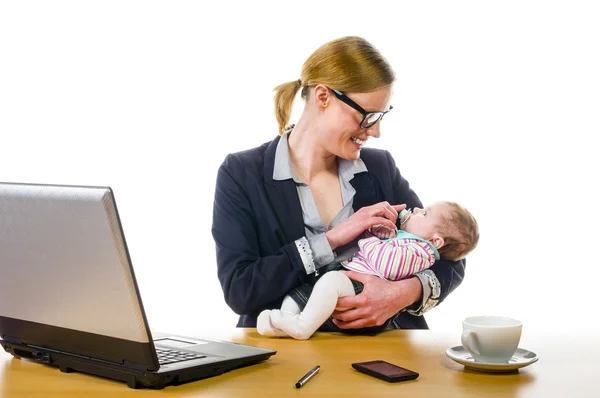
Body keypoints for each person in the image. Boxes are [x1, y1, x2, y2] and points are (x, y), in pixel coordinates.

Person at [212, 36, 468, 332]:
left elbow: (448, 247)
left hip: (385, 352)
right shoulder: (242, 174)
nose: (376, 132)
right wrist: (333, 239)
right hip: (283, 353)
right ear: (323, 97)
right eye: (368, 116)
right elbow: (241, 290)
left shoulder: (379, 167)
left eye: (381, 117)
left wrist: (401, 294)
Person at [256, 202, 479, 339]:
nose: (417, 209)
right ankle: (284, 322)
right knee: (300, 293)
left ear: (437, 241)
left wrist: (366, 238)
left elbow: (387, 265)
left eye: (425, 213)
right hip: (348, 280)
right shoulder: (406, 237)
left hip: (360, 287)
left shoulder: (421, 250)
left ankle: (302, 326)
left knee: (332, 281)